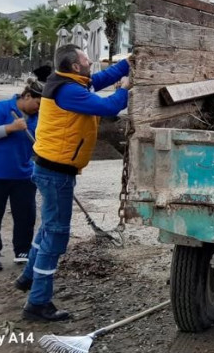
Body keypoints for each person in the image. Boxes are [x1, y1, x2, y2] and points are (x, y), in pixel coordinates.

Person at [14, 44, 131, 322]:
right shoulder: (68, 92)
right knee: (56, 234)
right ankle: (38, 303)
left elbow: (101, 79)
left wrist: (130, 63)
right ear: (76, 67)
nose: (91, 62)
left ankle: (28, 278)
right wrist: (125, 88)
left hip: (50, 168)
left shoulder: (70, 81)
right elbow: (108, 106)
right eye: (86, 60)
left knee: (47, 227)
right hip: (56, 172)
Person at [0, 80, 44, 272]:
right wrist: (10, 128)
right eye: (38, 104)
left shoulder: (39, 117)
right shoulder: (1, 108)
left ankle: (22, 251)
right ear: (27, 96)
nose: (39, 108)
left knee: (26, 216)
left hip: (23, 175)